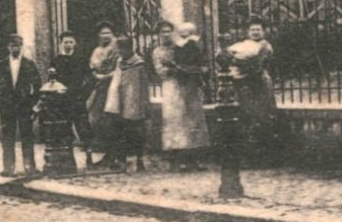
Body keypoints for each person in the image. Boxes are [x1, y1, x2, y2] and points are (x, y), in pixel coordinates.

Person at [154, 20, 211, 170]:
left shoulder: (181, 47)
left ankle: (193, 157)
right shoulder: (157, 52)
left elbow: (194, 60)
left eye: (168, 31)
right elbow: (160, 71)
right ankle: (177, 159)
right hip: (171, 87)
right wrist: (177, 69)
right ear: (158, 35)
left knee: (192, 119)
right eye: (162, 31)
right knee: (175, 121)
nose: (166, 34)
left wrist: (189, 70)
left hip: (187, 85)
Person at [222, 18, 279, 166]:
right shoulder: (245, 46)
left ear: (263, 31)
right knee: (247, 117)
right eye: (252, 30)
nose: (255, 32)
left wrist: (236, 61)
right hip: (245, 84)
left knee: (262, 117)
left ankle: (264, 157)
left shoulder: (265, 46)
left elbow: (256, 65)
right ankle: (250, 156)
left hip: (260, 83)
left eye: (258, 29)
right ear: (248, 32)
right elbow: (224, 58)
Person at [0, 33, 41, 177]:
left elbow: (37, 85)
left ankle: (29, 167)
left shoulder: (29, 64)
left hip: (25, 106)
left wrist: (34, 104)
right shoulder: (1, 65)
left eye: (17, 45)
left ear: (21, 47)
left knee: (27, 136)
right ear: (8, 47)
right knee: (7, 136)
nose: (15, 48)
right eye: (12, 46)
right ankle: (8, 168)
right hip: (7, 107)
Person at [103, 34, 150, 171]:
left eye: (122, 48)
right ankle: (121, 160)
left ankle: (139, 160)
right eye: (119, 48)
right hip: (119, 103)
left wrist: (144, 103)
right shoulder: (119, 62)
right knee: (119, 132)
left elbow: (144, 85)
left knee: (136, 133)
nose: (120, 52)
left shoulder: (138, 64)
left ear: (129, 48)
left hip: (134, 103)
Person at [47, 30, 94, 165]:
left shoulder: (81, 59)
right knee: (65, 129)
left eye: (71, 42)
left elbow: (90, 79)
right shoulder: (56, 61)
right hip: (62, 101)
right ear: (61, 44)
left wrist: (83, 95)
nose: (68, 45)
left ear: (75, 44)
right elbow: (51, 81)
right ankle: (69, 159)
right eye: (65, 42)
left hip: (78, 100)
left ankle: (89, 157)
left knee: (84, 128)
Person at [86, 21, 120, 166]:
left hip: (113, 86)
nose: (106, 35)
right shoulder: (96, 51)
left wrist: (108, 76)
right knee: (95, 119)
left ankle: (114, 155)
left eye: (108, 33)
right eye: (103, 33)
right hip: (100, 88)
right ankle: (104, 152)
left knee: (111, 121)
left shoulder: (117, 50)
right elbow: (92, 68)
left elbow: (120, 68)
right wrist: (96, 76)